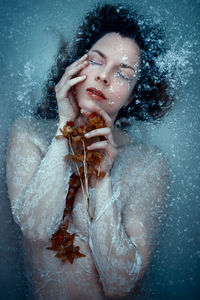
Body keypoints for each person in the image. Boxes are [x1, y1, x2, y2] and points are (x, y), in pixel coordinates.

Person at [6, 3, 172, 299]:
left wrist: (104, 179)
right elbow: (36, 226)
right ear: (76, 65)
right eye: (96, 61)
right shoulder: (29, 134)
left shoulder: (147, 162)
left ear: (133, 95)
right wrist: (63, 128)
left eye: (123, 74)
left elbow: (120, 285)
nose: (104, 77)